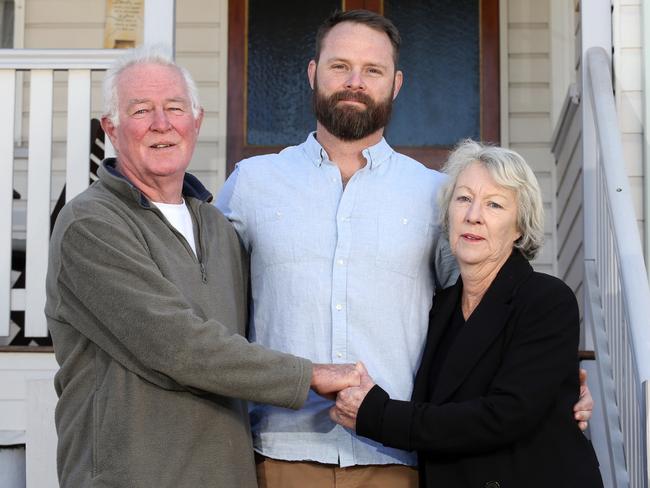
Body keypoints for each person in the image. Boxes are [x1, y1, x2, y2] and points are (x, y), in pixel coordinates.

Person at [217, 9, 594, 488]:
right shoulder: (251, 184)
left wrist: (556, 388)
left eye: (372, 70)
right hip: (278, 454)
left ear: (395, 84)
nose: (355, 81)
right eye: (340, 66)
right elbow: (211, 311)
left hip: (396, 458)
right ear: (313, 73)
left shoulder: (435, 196)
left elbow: (480, 322)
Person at [45, 46, 360, 488]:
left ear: (196, 122)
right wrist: (311, 375)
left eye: (175, 108)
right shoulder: (90, 224)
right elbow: (176, 345)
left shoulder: (217, 225)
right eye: (141, 110)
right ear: (111, 129)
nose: (161, 123)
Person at [331, 140, 604, 487]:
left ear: (519, 226)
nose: (473, 214)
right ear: (448, 215)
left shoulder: (547, 300)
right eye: (463, 198)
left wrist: (377, 415)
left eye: (494, 204)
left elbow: (503, 416)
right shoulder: (439, 307)